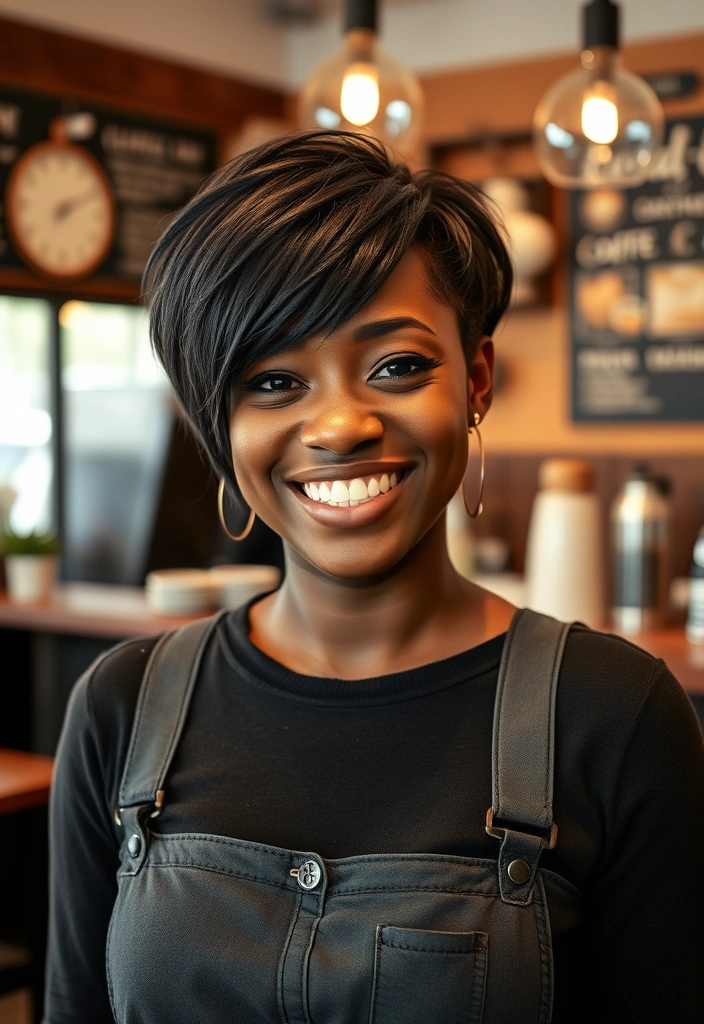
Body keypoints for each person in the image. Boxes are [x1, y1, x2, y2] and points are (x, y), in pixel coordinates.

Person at [45, 130, 704, 1024]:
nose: (342, 424)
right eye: (274, 381)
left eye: (397, 365)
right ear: (218, 424)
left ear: (476, 379)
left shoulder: (613, 716)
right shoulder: (121, 709)